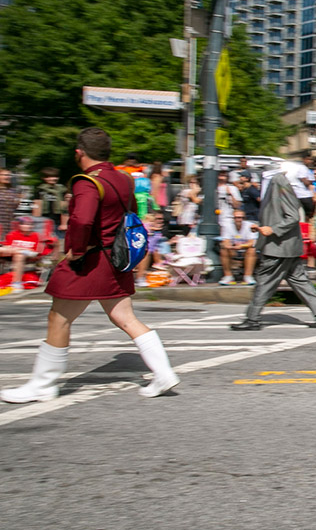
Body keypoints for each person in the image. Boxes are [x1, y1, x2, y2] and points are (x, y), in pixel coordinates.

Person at [1, 128, 179, 403]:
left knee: (58, 318)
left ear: (79, 153)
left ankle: (43, 385)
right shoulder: (123, 179)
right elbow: (130, 211)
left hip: (89, 260)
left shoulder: (87, 182)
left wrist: (76, 251)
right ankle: (163, 372)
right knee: (125, 318)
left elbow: (82, 221)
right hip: (117, 259)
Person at [230, 168, 316, 331]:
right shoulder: (276, 183)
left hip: (279, 246)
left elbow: (292, 216)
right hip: (286, 245)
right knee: (298, 279)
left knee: (264, 281)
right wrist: (263, 227)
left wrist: (272, 229)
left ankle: (252, 318)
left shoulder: (280, 182)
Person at [218, 209, 258, 285]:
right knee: (223, 250)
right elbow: (225, 241)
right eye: (236, 217)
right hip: (233, 250)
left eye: (241, 217)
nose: (238, 220)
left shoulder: (250, 226)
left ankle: (248, 276)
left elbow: (252, 242)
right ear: (233, 218)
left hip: (245, 250)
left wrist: (241, 246)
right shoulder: (227, 226)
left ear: (244, 218)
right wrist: (229, 246)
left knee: (252, 250)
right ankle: (228, 276)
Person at [0, 167, 20, 239]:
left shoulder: (13, 191)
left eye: (9, 175)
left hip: (9, 224)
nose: (8, 177)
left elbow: (15, 206)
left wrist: (18, 199)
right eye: (5, 175)